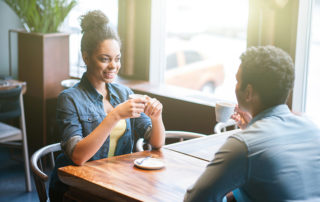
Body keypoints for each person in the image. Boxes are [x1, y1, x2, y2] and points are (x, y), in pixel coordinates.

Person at [49, 10, 165, 201]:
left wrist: (156, 116)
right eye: (105, 59)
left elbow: (156, 142)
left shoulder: (124, 93)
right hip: (77, 187)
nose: (113, 66)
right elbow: (78, 156)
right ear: (86, 58)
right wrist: (114, 116)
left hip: (117, 182)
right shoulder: (69, 99)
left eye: (117, 58)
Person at [184, 45, 320, 202]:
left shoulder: (244, 145)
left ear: (248, 92)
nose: (235, 86)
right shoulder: (313, 129)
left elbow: (195, 199)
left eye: (237, 80)